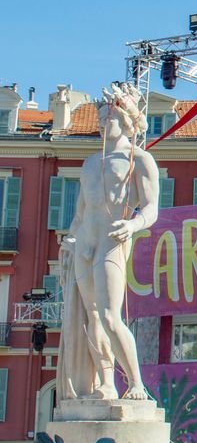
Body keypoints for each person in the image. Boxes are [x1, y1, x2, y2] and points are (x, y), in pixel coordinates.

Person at [57, 82, 161, 401]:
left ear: (126, 119)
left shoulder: (140, 160)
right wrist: (70, 240)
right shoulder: (89, 164)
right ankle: (106, 382)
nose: (103, 126)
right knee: (92, 319)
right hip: (84, 245)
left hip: (112, 242)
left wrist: (133, 225)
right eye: (100, 121)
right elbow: (80, 212)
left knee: (110, 316)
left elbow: (152, 207)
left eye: (109, 119)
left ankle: (136, 383)